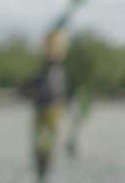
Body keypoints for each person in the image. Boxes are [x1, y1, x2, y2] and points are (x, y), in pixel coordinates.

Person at [26, 29, 71, 180]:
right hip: (41, 108)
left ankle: (45, 173)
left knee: (49, 144)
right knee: (40, 144)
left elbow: (64, 93)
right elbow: (29, 88)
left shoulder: (59, 72)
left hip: (54, 109)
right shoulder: (42, 71)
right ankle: (41, 171)